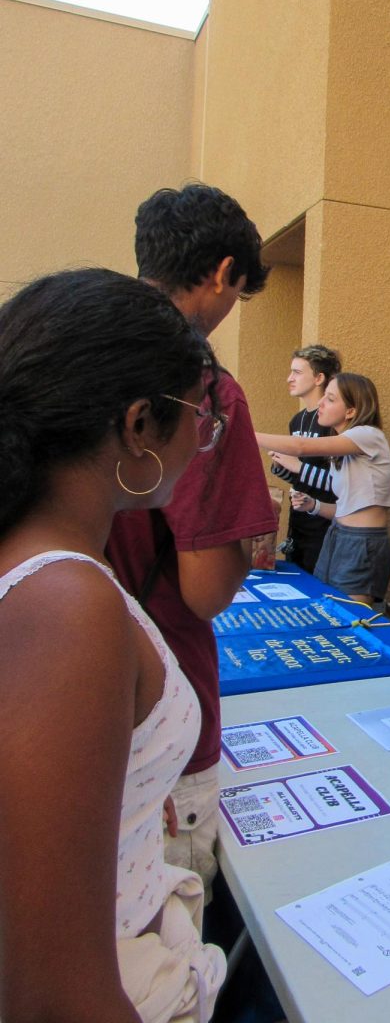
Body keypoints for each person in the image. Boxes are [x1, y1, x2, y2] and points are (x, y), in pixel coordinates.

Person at [0, 268, 226, 1022]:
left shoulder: (56, 559)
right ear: (138, 427)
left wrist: (124, 792)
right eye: (200, 414)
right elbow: (58, 998)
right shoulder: (68, 603)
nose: (203, 437)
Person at [106, 183, 278, 892]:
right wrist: (243, 532)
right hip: (155, 711)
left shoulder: (66, 355)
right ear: (222, 273)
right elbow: (205, 592)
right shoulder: (201, 389)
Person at [257, 372, 390, 606]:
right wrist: (314, 505)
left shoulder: (368, 435)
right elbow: (346, 505)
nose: (320, 403)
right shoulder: (345, 449)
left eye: (330, 399)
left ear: (351, 411)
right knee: (327, 609)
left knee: (351, 618)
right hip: (337, 535)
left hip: (362, 543)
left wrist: (248, 435)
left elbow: (300, 446)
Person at [268, 344, 342, 573]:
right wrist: (280, 467)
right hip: (298, 524)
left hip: (326, 527)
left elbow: (339, 482)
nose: (289, 379)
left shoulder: (333, 423)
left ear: (319, 378)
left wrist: (298, 467)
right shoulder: (297, 420)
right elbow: (301, 477)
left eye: (297, 372)